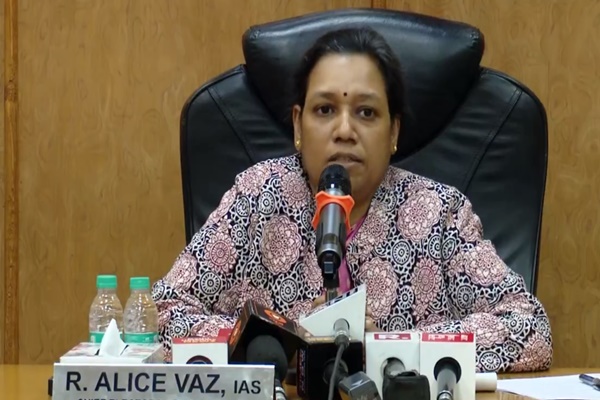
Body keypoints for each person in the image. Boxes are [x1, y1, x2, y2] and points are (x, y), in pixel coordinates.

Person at [152, 26, 553, 373]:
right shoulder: (256, 197)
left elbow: (530, 328)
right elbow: (161, 314)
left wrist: (388, 347)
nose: (344, 130)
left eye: (366, 112)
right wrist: (287, 342)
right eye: (325, 109)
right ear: (298, 125)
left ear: (393, 132)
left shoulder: (441, 212)